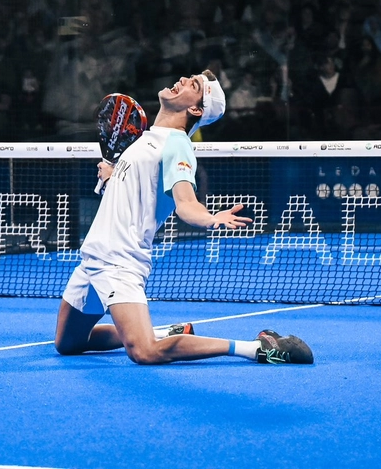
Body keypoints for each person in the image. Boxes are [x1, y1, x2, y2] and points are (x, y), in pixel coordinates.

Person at [55, 71, 314, 366]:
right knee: (68, 343)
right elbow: (141, 191)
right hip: (92, 259)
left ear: (195, 109)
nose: (182, 79)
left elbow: (185, 203)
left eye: (193, 86)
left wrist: (210, 218)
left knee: (144, 352)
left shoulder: (178, 144)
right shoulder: (148, 138)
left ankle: (256, 347)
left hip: (119, 261)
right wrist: (115, 177)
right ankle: (164, 333)